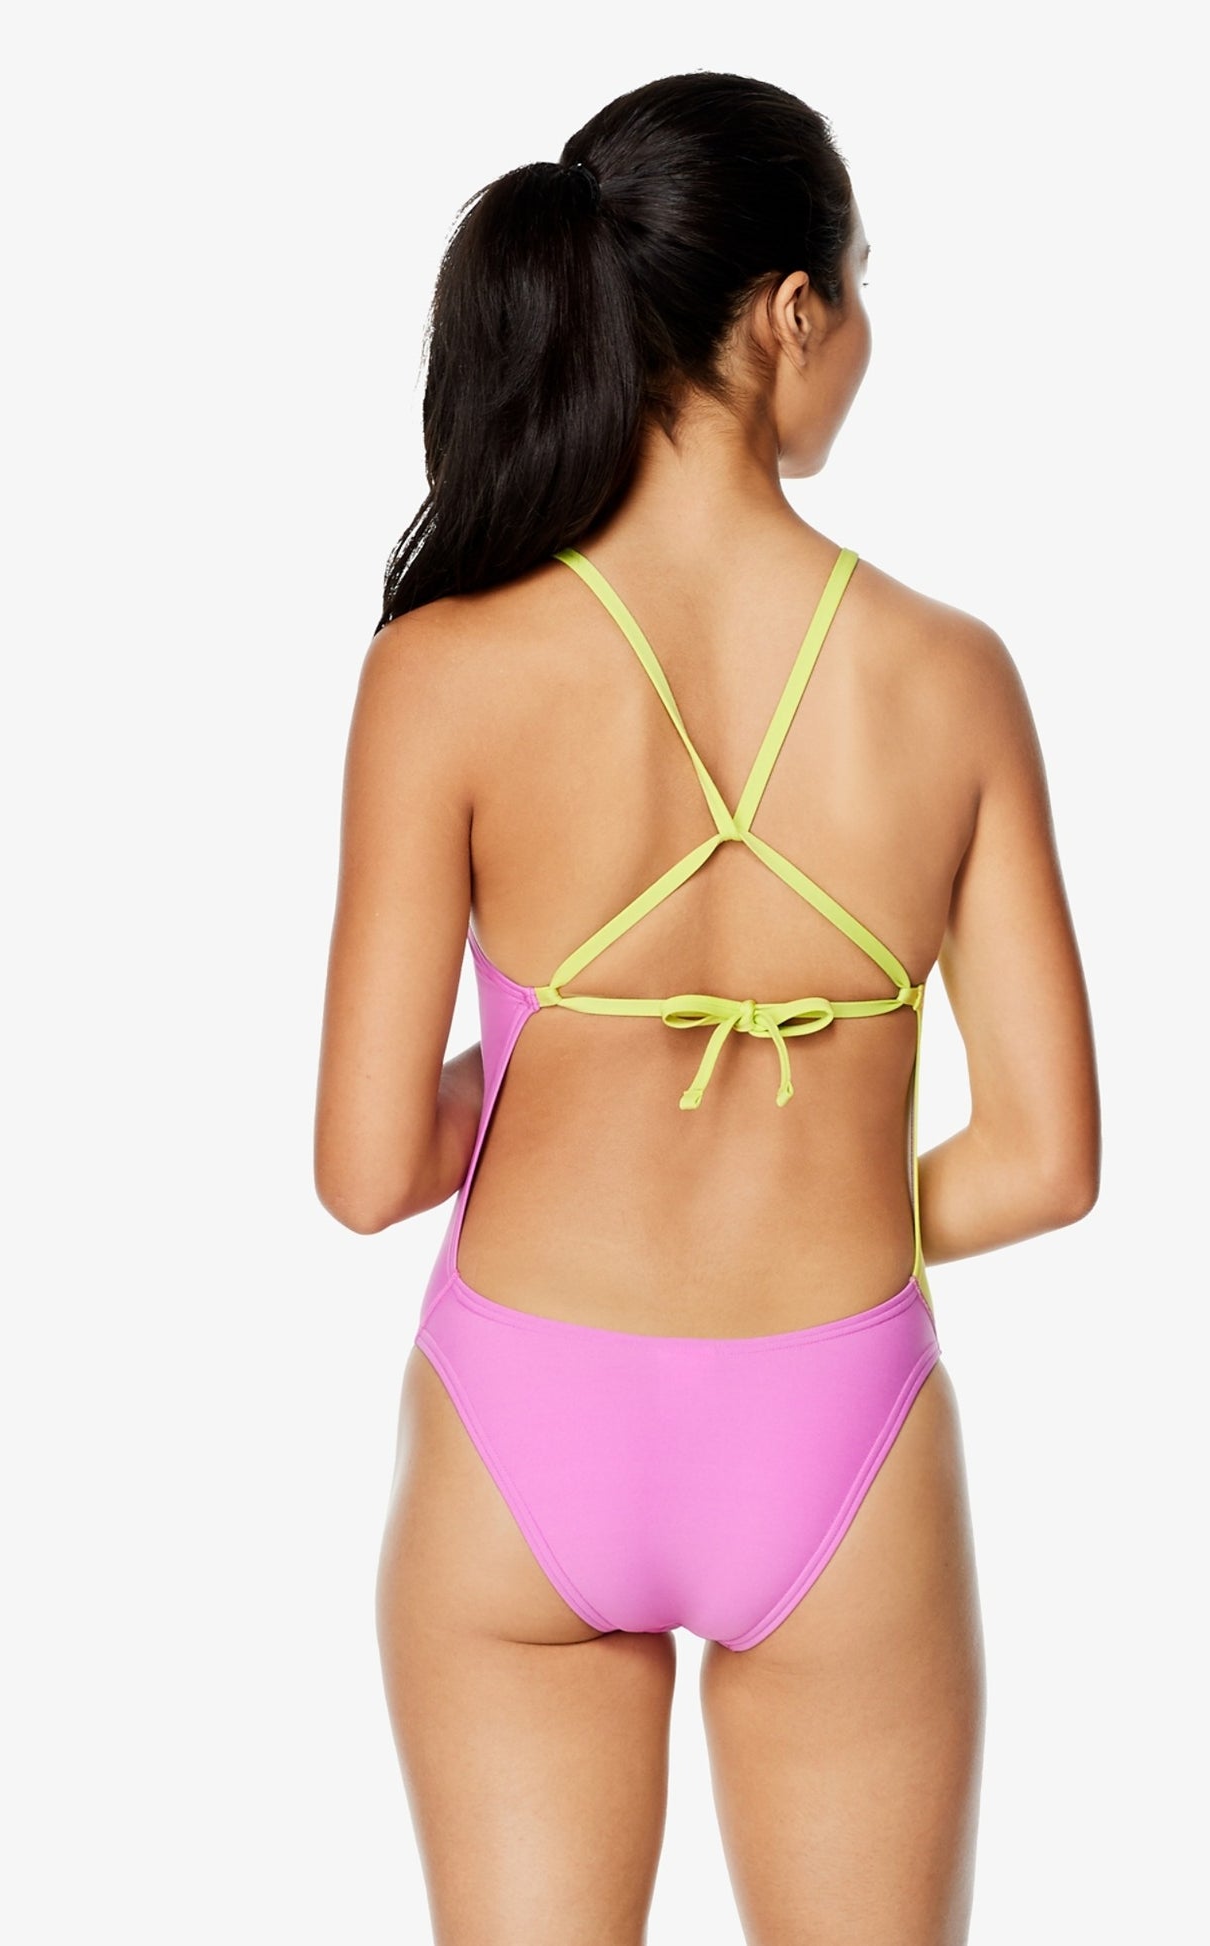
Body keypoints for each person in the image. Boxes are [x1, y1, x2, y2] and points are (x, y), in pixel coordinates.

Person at [315, 71, 1099, 1945]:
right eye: (860, 287)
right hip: (835, 1428)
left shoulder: (443, 669)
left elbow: (363, 1171)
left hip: (524, 1422)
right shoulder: (949, 676)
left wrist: (553, 1062)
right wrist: (817, 1190)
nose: (863, 337)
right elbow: (1044, 1159)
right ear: (789, 313)